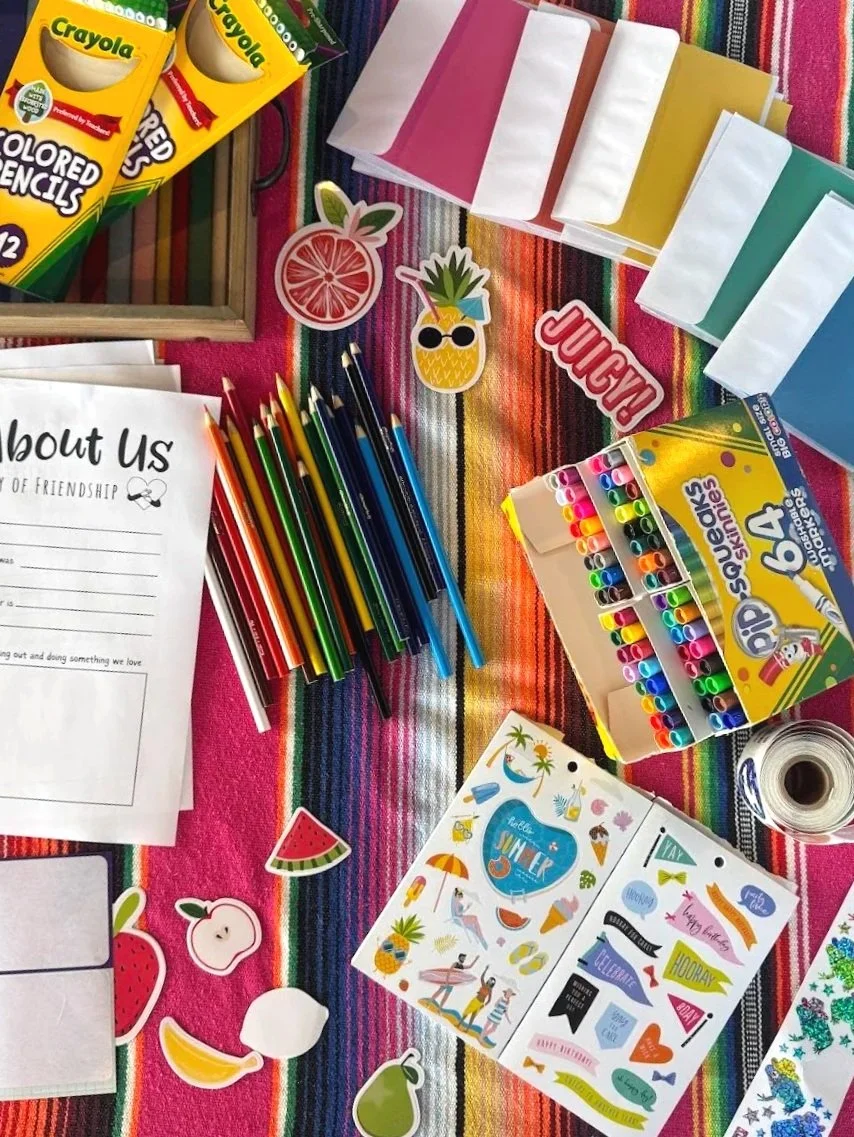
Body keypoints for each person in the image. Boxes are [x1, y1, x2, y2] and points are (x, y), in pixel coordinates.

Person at [458, 966, 495, 1033]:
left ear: (492, 983)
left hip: (480, 1004)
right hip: (475, 1000)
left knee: (473, 1016)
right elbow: (482, 977)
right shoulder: (484, 985)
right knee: (467, 1012)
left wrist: (483, 1005)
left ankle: (467, 1029)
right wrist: (485, 969)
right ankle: (459, 1024)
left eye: (491, 981)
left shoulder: (490, 990)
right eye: (490, 980)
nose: (490, 981)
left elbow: (489, 1000)